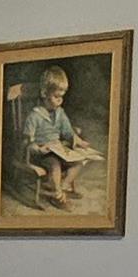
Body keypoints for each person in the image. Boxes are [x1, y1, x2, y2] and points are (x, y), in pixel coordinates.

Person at [18, 64, 97, 208]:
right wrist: (38, 149)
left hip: (58, 149)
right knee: (55, 166)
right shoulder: (34, 116)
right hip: (41, 153)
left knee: (79, 162)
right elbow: (27, 142)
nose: (60, 100)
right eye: (56, 96)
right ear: (44, 93)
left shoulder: (60, 112)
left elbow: (67, 131)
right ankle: (57, 195)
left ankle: (62, 187)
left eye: (62, 96)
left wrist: (78, 141)